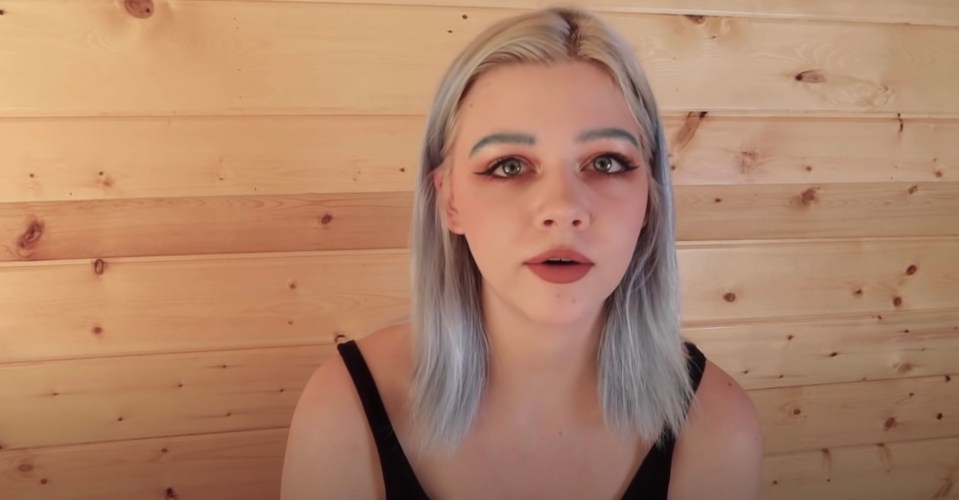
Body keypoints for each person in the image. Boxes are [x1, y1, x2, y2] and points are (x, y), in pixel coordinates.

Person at [281, 6, 763, 499]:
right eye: (509, 166)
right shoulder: (345, 410)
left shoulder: (718, 427)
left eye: (606, 162)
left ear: (649, 201)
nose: (563, 209)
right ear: (450, 201)